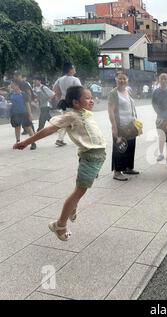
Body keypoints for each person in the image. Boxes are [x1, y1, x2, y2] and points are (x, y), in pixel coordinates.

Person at [13, 86, 106, 241]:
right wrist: (27, 141)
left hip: (97, 157)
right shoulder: (70, 115)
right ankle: (60, 224)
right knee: (79, 192)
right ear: (76, 102)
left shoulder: (83, 113)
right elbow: (48, 130)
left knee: (82, 190)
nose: (92, 101)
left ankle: (72, 207)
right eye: (88, 98)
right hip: (89, 157)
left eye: (91, 97)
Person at [108, 72, 140, 181]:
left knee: (130, 146)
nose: (122, 81)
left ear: (127, 80)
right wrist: (114, 126)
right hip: (120, 125)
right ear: (116, 80)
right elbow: (111, 110)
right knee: (120, 148)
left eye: (124, 79)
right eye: (119, 78)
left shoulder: (128, 91)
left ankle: (128, 167)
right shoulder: (113, 93)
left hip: (131, 124)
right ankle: (117, 172)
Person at [53, 63, 82, 147]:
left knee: (64, 121)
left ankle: (60, 139)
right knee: (77, 120)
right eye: (74, 68)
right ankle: (79, 139)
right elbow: (80, 91)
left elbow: (55, 88)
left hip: (63, 103)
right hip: (72, 103)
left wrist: (59, 96)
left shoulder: (60, 79)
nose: (75, 69)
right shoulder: (75, 79)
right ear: (70, 69)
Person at [152, 73, 167, 165]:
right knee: (161, 136)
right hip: (160, 118)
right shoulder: (155, 91)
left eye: (165, 79)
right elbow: (153, 104)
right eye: (161, 79)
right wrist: (159, 113)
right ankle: (161, 153)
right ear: (158, 80)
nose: (163, 80)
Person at [8, 80, 36, 149]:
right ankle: (18, 142)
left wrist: (30, 114)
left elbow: (27, 105)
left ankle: (33, 142)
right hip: (15, 114)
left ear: (17, 86)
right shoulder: (11, 94)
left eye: (12, 84)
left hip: (24, 113)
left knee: (29, 128)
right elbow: (9, 104)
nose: (11, 86)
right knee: (17, 128)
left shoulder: (23, 94)